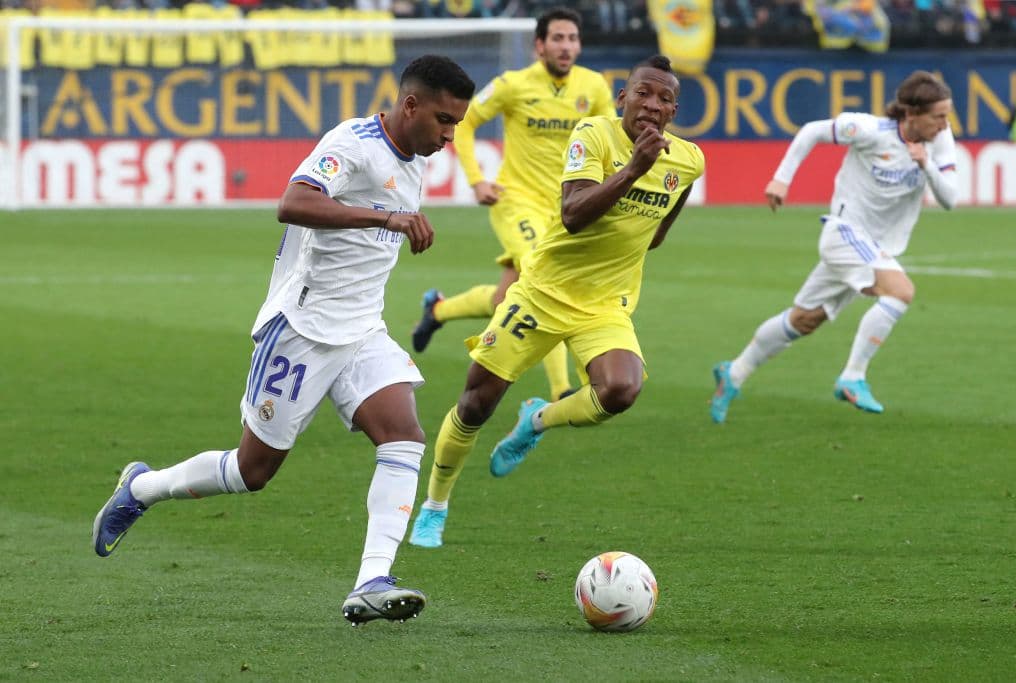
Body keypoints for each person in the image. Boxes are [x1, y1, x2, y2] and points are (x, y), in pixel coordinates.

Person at [91, 55, 475, 626]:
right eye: (444, 120)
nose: (449, 137)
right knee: (252, 471)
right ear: (410, 104)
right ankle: (142, 488)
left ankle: (372, 580)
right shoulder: (352, 143)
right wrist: (384, 217)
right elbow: (292, 203)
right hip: (302, 329)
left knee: (404, 435)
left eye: (457, 125)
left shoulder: (415, 157)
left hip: (362, 330)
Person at [409, 55, 705, 548]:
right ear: (622, 99)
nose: (653, 105)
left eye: (665, 99)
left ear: (674, 111)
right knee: (476, 403)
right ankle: (434, 506)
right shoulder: (593, 134)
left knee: (621, 390)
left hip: (604, 305)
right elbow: (573, 214)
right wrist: (635, 169)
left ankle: (536, 419)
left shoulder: (688, 160)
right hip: (543, 292)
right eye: (643, 93)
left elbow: (657, 234)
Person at [709, 70, 957, 423]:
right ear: (911, 113)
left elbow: (950, 199)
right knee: (900, 291)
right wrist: (781, 179)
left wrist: (927, 164)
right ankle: (853, 376)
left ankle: (733, 373)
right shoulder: (871, 130)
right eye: (939, 116)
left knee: (805, 319)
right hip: (845, 233)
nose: (945, 124)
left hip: (873, 247)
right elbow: (813, 130)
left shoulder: (939, 142)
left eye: (947, 116)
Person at [410, 6, 616, 404]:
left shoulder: (593, 87)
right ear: (539, 45)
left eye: (572, 39)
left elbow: (611, 140)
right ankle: (561, 389)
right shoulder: (512, 84)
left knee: (505, 299)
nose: (566, 46)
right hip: (517, 201)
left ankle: (438, 311)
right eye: (557, 38)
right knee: (545, 277)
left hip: (565, 209)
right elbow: (465, 123)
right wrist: (476, 179)